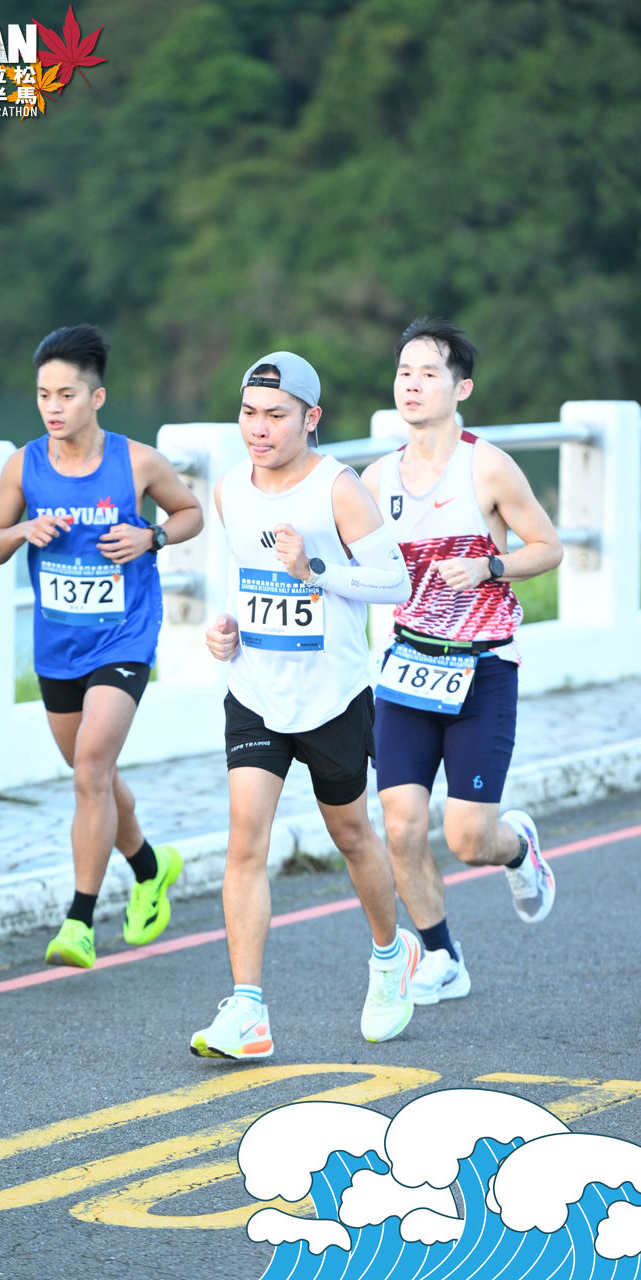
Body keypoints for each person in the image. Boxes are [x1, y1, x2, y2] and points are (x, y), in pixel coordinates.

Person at [191, 351, 419, 1060]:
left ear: (310, 418)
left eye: (275, 416)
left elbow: (396, 583)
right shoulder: (230, 490)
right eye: (248, 413)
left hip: (331, 696)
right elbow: (240, 578)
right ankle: (247, 1011)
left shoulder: (337, 489)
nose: (258, 429)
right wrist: (224, 629)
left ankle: (391, 956)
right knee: (244, 842)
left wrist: (314, 568)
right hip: (255, 691)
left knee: (350, 835)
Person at [0, 324, 203, 968]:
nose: (53, 407)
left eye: (67, 395)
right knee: (92, 776)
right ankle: (151, 867)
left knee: (90, 770)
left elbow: (190, 513)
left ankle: (79, 922)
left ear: (96, 398)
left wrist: (152, 538)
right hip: (58, 647)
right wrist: (22, 529)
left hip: (124, 637)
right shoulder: (24, 465)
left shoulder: (136, 462)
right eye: (43, 394)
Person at [361, 316, 564, 1006]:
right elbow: (355, 568)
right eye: (403, 372)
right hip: (407, 668)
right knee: (399, 825)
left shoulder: (487, 466)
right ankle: (442, 955)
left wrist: (489, 566)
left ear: (461, 388)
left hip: (483, 669)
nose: (412, 385)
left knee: (469, 839)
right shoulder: (376, 476)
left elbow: (547, 546)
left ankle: (518, 848)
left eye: (428, 373)